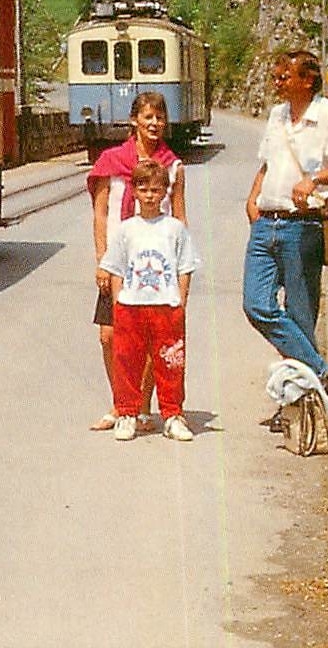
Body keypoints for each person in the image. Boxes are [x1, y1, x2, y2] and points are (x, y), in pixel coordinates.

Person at [243, 50, 328, 426]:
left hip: (302, 226)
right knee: (256, 304)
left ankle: (300, 405)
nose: (276, 83)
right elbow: (268, 163)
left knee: (300, 315)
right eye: (275, 77)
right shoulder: (278, 115)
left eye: (284, 77)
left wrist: (315, 179)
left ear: (307, 80)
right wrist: (253, 198)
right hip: (266, 222)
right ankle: (323, 373)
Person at [86, 91, 186, 431]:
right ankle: (121, 404)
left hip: (156, 264)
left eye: (160, 118)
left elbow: (180, 218)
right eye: (148, 117)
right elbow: (101, 213)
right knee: (110, 335)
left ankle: (140, 408)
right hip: (118, 262)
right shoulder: (110, 162)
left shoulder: (172, 166)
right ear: (134, 121)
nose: (155, 124)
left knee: (151, 340)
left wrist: (178, 267)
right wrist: (102, 259)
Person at [99, 158, 202, 442]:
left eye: (155, 190)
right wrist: (119, 302)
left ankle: (172, 414)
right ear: (133, 191)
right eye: (143, 189)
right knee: (127, 362)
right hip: (131, 306)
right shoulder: (126, 229)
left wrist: (181, 301)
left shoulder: (175, 229)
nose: (149, 196)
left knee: (170, 362)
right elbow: (116, 268)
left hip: (166, 307)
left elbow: (185, 267)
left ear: (165, 192)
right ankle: (127, 413)